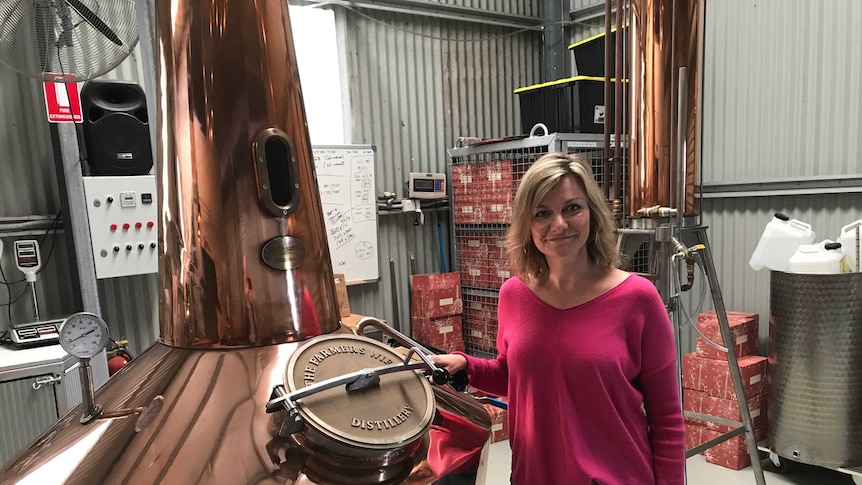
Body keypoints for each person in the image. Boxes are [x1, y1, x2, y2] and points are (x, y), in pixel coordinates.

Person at [431, 153, 685, 485]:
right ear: (527, 224)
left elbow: (667, 419)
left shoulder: (638, 299)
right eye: (542, 213)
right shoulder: (514, 295)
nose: (559, 225)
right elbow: (516, 376)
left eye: (572, 208)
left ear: (592, 213)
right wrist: (466, 365)